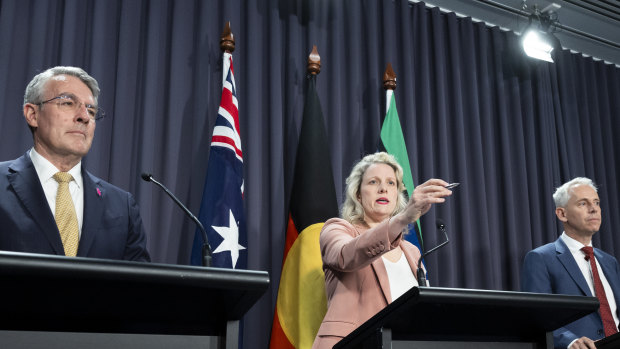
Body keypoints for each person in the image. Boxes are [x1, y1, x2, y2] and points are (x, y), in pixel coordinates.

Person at [0, 66, 150, 261]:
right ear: (33, 114)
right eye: (68, 103)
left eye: (91, 110)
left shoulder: (123, 207)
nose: (84, 117)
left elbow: (138, 287)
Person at [312, 152, 452, 348]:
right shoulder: (336, 229)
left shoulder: (412, 252)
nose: (383, 189)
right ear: (358, 194)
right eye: (373, 182)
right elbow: (345, 256)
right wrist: (403, 218)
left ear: (397, 194)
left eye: (391, 183)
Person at [521, 177, 620, 349]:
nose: (593, 209)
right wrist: (570, 341)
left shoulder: (610, 262)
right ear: (562, 214)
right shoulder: (540, 258)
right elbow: (536, 316)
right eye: (583, 203)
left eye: (596, 202)